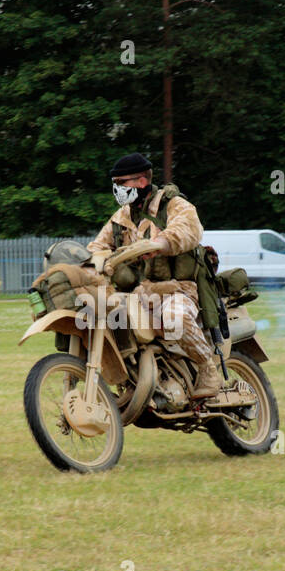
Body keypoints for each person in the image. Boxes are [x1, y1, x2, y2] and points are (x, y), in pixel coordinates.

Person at [87, 153, 222, 399]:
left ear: (140, 182)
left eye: (122, 182)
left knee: (174, 318)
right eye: (114, 183)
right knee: (103, 316)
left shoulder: (172, 204)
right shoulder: (122, 217)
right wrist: (89, 263)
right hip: (142, 293)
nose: (117, 189)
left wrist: (160, 243)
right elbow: (98, 246)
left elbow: (189, 229)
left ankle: (207, 368)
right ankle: (133, 379)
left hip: (178, 289)